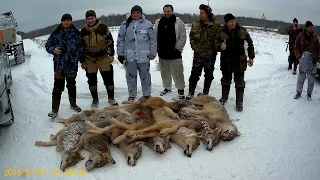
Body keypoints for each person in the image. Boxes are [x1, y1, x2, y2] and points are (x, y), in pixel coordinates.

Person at [214, 13, 255, 111]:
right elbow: (215, 44)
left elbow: (250, 44)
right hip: (226, 60)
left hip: (239, 60)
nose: (233, 23)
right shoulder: (221, 31)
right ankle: (224, 98)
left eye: (234, 21)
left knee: (240, 81)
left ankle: (239, 103)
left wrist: (251, 57)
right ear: (226, 23)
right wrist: (220, 46)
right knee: (225, 79)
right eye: (231, 21)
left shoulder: (242, 30)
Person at [45, 13, 83, 118]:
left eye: (68, 20)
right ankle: (54, 110)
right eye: (64, 20)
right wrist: (54, 50)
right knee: (57, 88)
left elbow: (81, 47)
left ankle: (73, 104)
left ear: (71, 21)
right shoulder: (56, 33)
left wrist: (79, 58)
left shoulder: (76, 33)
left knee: (71, 86)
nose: (66, 22)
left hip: (72, 65)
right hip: (59, 66)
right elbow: (47, 45)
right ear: (62, 21)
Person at [116, 5, 157, 101]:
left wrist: (153, 53)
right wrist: (120, 54)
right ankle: (132, 95)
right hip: (130, 56)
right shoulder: (125, 24)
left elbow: (153, 40)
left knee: (145, 76)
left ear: (141, 13)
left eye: (138, 12)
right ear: (131, 14)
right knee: (130, 77)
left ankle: (146, 94)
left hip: (144, 56)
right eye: (134, 13)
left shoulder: (147, 24)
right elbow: (120, 39)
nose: (135, 14)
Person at [80, 10, 118, 107]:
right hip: (89, 59)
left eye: (92, 18)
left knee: (108, 78)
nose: (90, 20)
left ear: (95, 18)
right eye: (88, 19)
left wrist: (111, 55)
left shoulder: (103, 27)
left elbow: (110, 41)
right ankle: (95, 100)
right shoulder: (83, 31)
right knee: (92, 80)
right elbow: (81, 47)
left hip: (103, 57)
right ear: (86, 20)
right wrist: (82, 61)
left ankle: (111, 98)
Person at [186, 4, 221, 99]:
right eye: (200, 13)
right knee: (194, 74)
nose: (200, 14)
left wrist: (216, 48)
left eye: (202, 13)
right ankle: (190, 92)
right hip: (198, 55)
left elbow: (218, 40)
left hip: (210, 56)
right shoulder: (195, 24)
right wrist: (195, 48)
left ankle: (205, 93)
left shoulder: (216, 25)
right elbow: (191, 37)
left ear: (208, 13)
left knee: (209, 75)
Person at [153, 4, 187, 99]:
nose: (167, 13)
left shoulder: (178, 22)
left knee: (178, 73)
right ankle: (167, 87)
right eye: (165, 11)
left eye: (169, 11)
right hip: (162, 52)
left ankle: (180, 90)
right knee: (165, 72)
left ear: (172, 11)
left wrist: (177, 49)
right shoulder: (159, 22)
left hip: (174, 53)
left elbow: (182, 37)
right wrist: (156, 48)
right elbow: (154, 36)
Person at [294, 21, 320, 101]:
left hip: (312, 60)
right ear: (307, 27)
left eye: (312, 27)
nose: (312, 28)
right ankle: (298, 92)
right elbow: (296, 47)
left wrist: (316, 57)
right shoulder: (300, 36)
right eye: (310, 27)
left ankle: (309, 94)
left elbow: (319, 49)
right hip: (303, 58)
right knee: (301, 77)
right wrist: (299, 57)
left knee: (311, 78)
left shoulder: (315, 37)